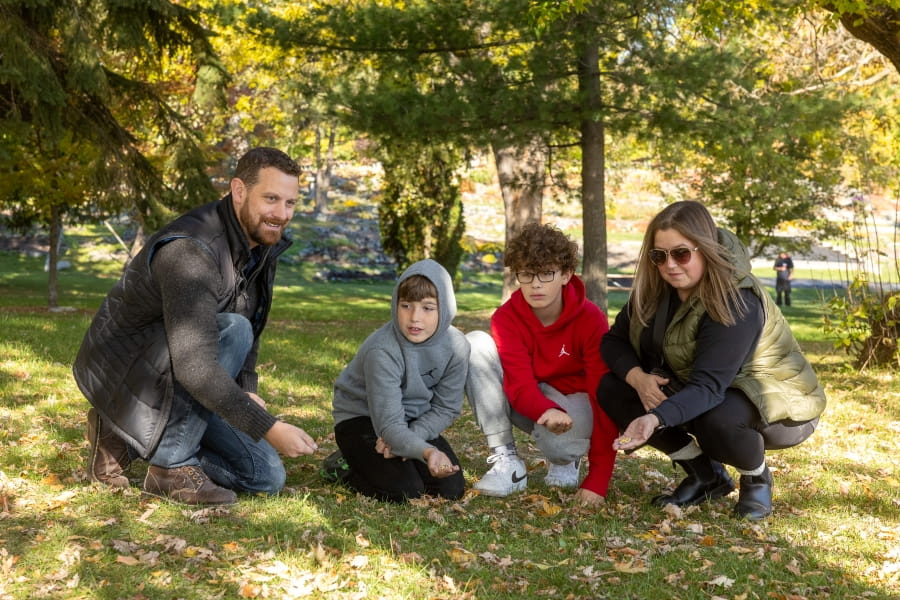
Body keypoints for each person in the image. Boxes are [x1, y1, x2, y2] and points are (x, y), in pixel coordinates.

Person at [73, 147, 318, 505]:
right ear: (238, 191)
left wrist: (246, 388)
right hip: (128, 375)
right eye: (271, 198)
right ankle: (169, 467)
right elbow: (195, 364)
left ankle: (127, 439)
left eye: (290, 203)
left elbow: (254, 317)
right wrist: (267, 426)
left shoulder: (260, 244)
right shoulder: (191, 251)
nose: (281, 214)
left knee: (266, 477)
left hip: (175, 376)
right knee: (234, 330)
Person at [598, 201, 825, 520]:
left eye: (681, 253)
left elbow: (708, 387)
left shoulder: (736, 300)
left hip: (780, 407)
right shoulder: (658, 289)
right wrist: (638, 378)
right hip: (709, 392)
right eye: (658, 256)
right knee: (613, 387)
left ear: (704, 248)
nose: (669, 265)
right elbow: (613, 341)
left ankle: (756, 476)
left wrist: (655, 418)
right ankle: (706, 475)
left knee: (716, 419)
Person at [465, 223, 618, 507]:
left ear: (565, 275)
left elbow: (604, 394)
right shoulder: (505, 318)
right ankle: (506, 460)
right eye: (526, 273)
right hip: (532, 399)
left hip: (576, 403)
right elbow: (519, 381)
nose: (536, 284)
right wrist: (545, 409)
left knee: (561, 446)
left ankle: (565, 461)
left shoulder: (590, 318)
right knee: (474, 343)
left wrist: (599, 478)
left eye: (546, 273)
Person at [323, 259, 469, 502]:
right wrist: (426, 450)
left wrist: (414, 438)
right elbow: (388, 424)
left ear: (444, 308)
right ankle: (342, 466)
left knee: (450, 489)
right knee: (404, 490)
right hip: (364, 419)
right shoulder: (382, 349)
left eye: (428, 308)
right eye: (406, 305)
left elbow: (446, 407)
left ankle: (397, 451)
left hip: (414, 418)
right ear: (395, 305)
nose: (415, 318)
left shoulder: (457, 346)